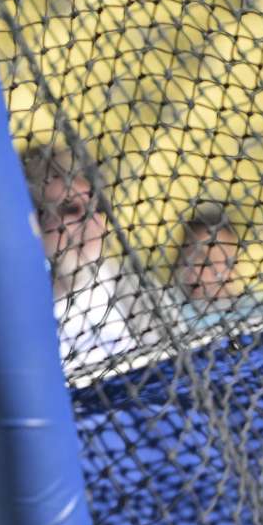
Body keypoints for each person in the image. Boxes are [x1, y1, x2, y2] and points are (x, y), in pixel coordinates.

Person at [21, 145, 162, 367]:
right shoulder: (16, 313)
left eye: (99, 209)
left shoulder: (137, 287)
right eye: (71, 209)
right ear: (34, 221)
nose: (91, 223)